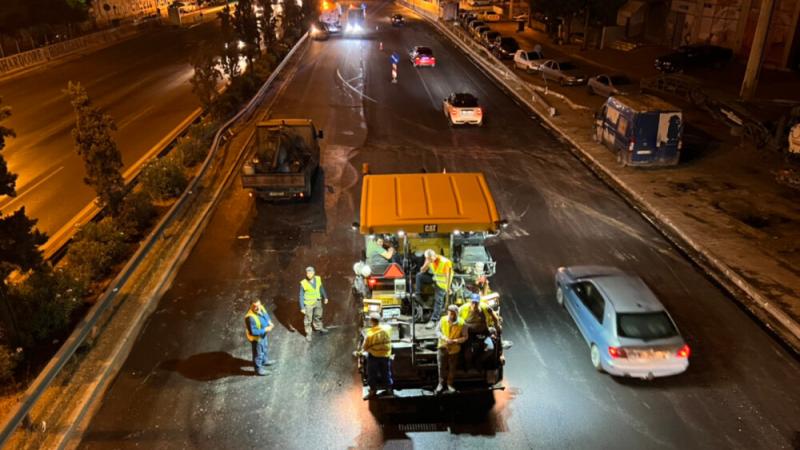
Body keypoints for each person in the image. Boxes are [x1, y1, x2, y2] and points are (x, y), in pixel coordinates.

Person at [459, 293, 501, 370]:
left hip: (483, 332)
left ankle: (479, 361)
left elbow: (494, 317)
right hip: (469, 334)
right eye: (473, 302)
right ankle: (468, 364)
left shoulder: (485, 308)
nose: (474, 305)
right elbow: (456, 318)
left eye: (476, 303)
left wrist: (497, 326)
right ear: (470, 302)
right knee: (467, 351)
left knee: (490, 348)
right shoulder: (463, 308)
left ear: (479, 302)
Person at [415, 249, 453, 329]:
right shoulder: (429, 260)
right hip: (435, 278)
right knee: (419, 276)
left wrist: (448, 288)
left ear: (434, 255)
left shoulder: (445, 262)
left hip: (443, 282)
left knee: (438, 300)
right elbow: (422, 270)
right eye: (427, 258)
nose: (429, 260)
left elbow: (447, 276)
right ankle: (417, 295)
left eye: (430, 258)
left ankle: (434, 320)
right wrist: (427, 263)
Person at [362, 313, 394, 400]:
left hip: (374, 356)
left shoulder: (370, 334)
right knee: (386, 373)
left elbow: (364, 347)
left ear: (372, 321)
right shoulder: (387, 329)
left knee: (372, 374)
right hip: (385, 355)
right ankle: (389, 390)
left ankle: (373, 391)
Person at [436, 305, 467, 394]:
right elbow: (437, 331)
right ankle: (440, 384)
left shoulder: (462, 323)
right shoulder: (443, 320)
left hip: (454, 349)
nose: (451, 315)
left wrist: (456, 341)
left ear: (457, 313)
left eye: (453, 314)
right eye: (450, 313)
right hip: (443, 347)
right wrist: (445, 338)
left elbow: (465, 337)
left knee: (452, 368)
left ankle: (450, 384)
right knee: (441, 367)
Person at [244, 300, 276, 375]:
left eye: (258, 305)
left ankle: (264, 361)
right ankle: (258, 370)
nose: (257, 307)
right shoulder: (250, 318)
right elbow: (253, 332)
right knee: (258, 354)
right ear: (251, 306)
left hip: (263, 335)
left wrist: (269, 322)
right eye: (255, 306)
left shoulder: (261, 307)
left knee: (265, 347)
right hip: (257, 339)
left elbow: (265, 315)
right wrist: (265, 329)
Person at [299, 266, 329, 342]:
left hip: (317, 301)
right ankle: (308, 333)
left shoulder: (318, 279)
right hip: (309, 303)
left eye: (310, 272)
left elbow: (321, 288)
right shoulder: (303, 283)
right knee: (308, 319)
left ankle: (319, 327)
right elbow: (301, 295)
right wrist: (302, 307)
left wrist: (325, 297)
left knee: (318, 315)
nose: (309, 274)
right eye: (307, 273)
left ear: (314, 273)